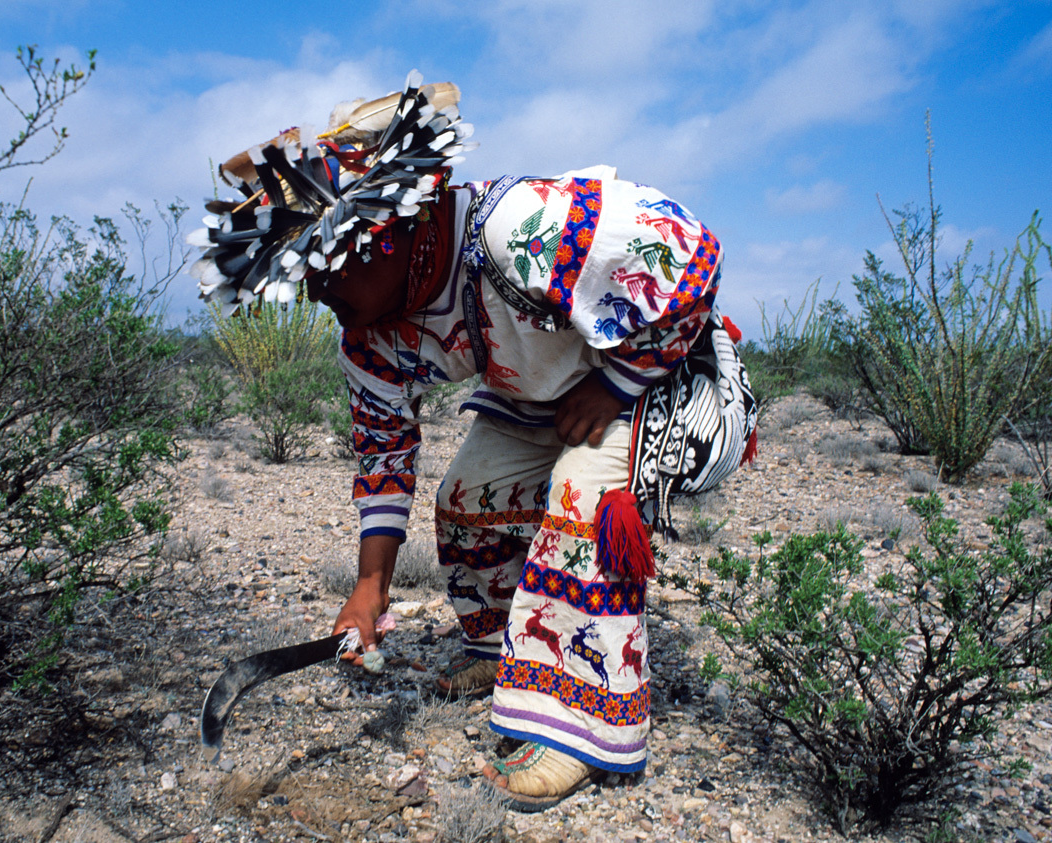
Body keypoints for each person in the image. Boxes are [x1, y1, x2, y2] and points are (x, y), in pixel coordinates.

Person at [189, 72, 757, 812]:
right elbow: (384, 448)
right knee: (468, 498)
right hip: (542, 394)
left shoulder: (515, 228)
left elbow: (691, 254)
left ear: (384, 233)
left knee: (582, 496)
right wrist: (371, 586)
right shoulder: (371, 339)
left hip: (664, 374)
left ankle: (580, 728)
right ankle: (499, 652)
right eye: (308, 282)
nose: (321, 295)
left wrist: (618, 383)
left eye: (326, 271)